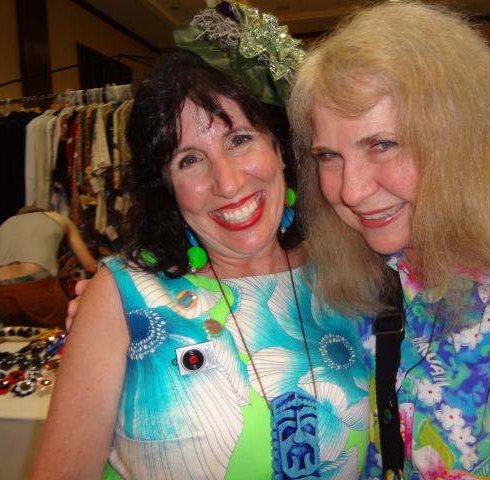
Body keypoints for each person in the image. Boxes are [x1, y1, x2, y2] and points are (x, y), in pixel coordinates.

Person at [31, 5, 371, 479]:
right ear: (167, 187)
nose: (227, 183)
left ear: (279, 147)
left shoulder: (347, 270)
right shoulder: (123, 297)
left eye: (239, 140)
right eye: (189, 160)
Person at [288, 2, 490, 478]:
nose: (350, 191)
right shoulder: (342, 288)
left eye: (382, 145)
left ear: (465, 141)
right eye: (329, 155)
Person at [0, 206, 97, 328]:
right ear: (43, 213)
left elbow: (16, 272)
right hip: (37, 288)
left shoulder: (7, 223)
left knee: (21, 336)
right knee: (66, 331)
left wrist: (58, 275)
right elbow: (90, 266)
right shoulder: (58, 218)